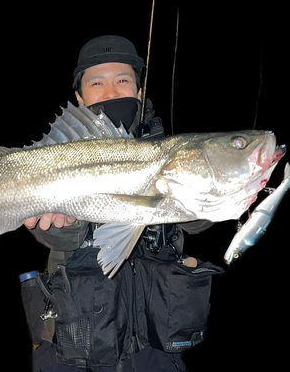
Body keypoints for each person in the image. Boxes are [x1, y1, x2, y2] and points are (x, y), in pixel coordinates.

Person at [20, 35, 217, 372]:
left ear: (140, 92)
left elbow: (201, 220)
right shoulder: (54, 155)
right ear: (80, 98)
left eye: (122, 80)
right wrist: (63, 226)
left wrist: (225, 191)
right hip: (73, 348)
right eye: (97, 82)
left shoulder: (171, 153)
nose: (111, 91)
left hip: (157, 349)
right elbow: (57, 239)